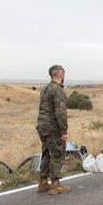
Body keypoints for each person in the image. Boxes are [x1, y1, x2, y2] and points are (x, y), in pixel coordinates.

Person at [36, 65, 71, 195]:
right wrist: (64, 131)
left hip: (42, 125)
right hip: (52, 127)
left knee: (46, 153)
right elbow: (60, 112)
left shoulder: (45, 89)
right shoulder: (58, 90)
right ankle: (55, 185)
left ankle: (43, 182)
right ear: (61, 75)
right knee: (57, 153)